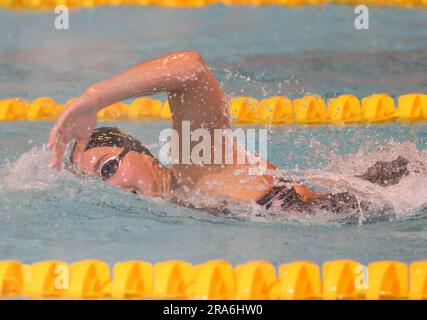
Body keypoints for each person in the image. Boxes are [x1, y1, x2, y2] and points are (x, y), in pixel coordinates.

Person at [48, 51, 409, 214]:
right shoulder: (181, 205)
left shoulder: (195, 166)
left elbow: (190, 69)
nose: (110, 186)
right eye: (97, 182)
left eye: (108, 168)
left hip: (393, 193)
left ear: (141, 152)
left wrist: (94, 98)